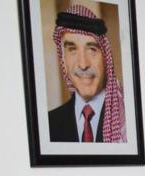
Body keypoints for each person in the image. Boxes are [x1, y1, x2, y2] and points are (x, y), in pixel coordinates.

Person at [47, 5, 126, 143]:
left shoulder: (127, 116)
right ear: (63, 59)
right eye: (72, 50)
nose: (83, 65)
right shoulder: (49, 124)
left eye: (92, 49)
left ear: (106, 58)